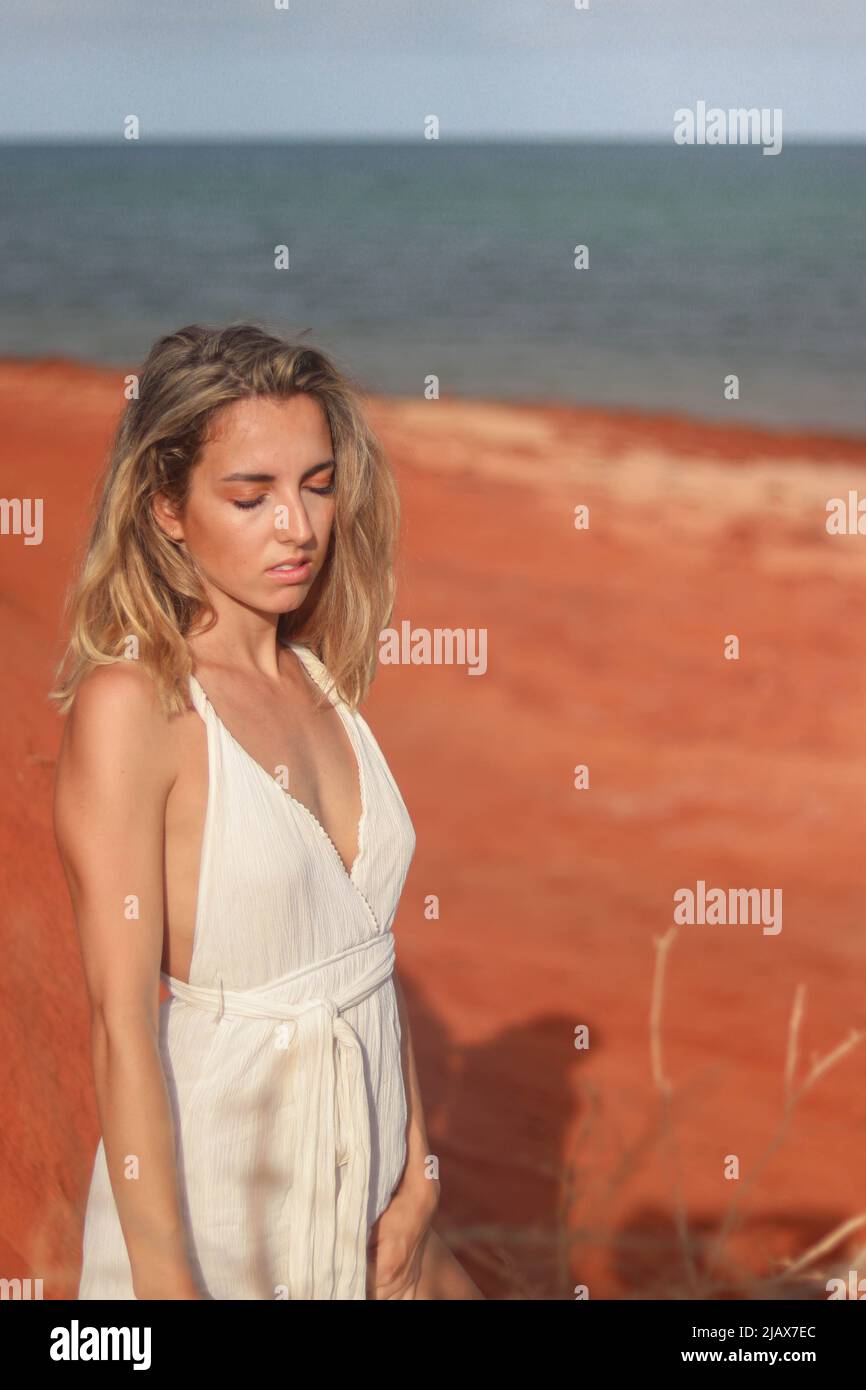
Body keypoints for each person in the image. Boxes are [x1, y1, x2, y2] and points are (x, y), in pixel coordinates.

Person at [51, 322, 484, 1300]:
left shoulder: (318, 678)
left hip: (369, 1183)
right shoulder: (136, 707)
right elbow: (121, 1027)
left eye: (317, 484)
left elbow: (363, 956)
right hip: (220, 1204)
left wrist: (416, 1171)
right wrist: (168, 1290)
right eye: (250, 495)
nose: (297, 525)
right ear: (166, 506)